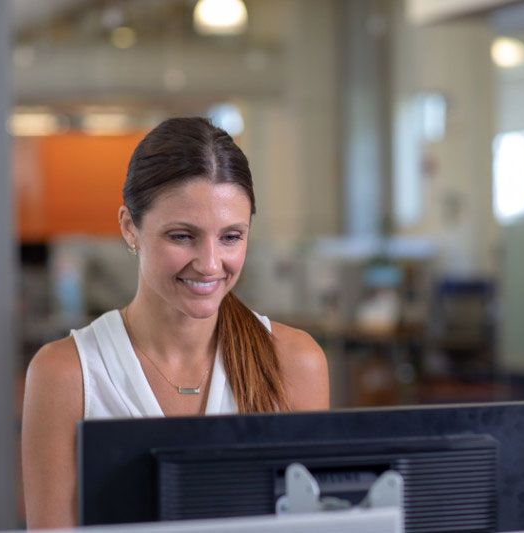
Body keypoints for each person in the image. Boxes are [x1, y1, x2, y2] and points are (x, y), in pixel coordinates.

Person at [21, 117, 330, 528]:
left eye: (231, 237)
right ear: (130, 228)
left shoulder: (295, 363)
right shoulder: (66, 374)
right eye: (182, 236)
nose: (209, 264)